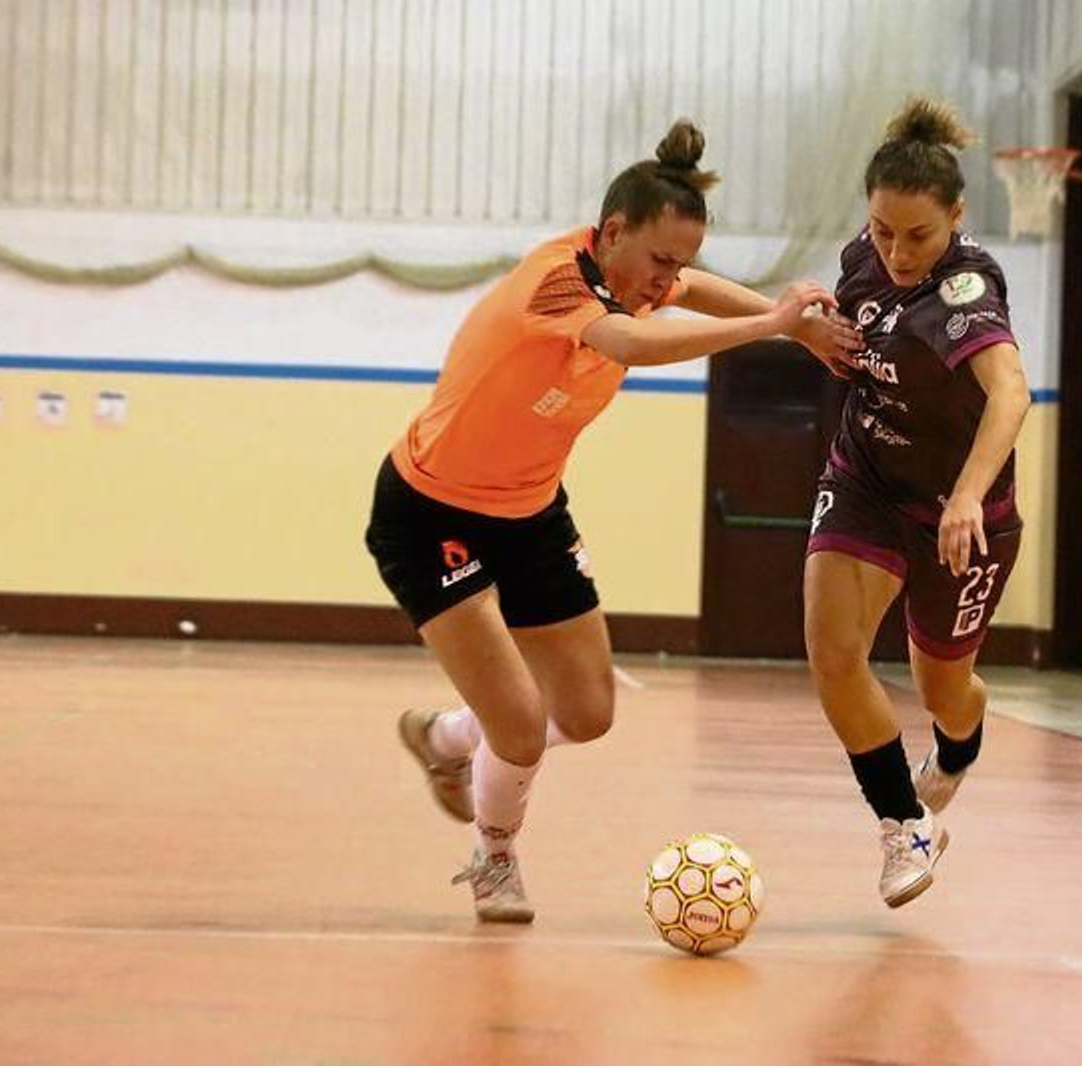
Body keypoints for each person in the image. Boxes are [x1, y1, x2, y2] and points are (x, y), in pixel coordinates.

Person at [366, 119, 861, 923]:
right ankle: (495, 857)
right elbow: (629, 343)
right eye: (660, 259)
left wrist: (795, 324)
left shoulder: (645, 274)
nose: (669, 278)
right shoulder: (558, 284)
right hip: (430, 512)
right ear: (614, 232)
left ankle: (447, 739)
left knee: (589, 714)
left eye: (681, 262)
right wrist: (772, 327)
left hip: (529, 513)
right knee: (523, 726)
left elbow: (688, 292)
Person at [802, 98, 1032, 908]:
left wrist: (968, 495)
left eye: (918, 236)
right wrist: (818, 333)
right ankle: (904, 825)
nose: (897, 252)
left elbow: (1010, 391)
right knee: (834, 654)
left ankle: (959, 752)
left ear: (956, 219)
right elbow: (860, 340)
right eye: (883, 230)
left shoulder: (966, 288)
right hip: (866, 477)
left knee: (943, 688)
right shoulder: (862, 259)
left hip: (960, 513)